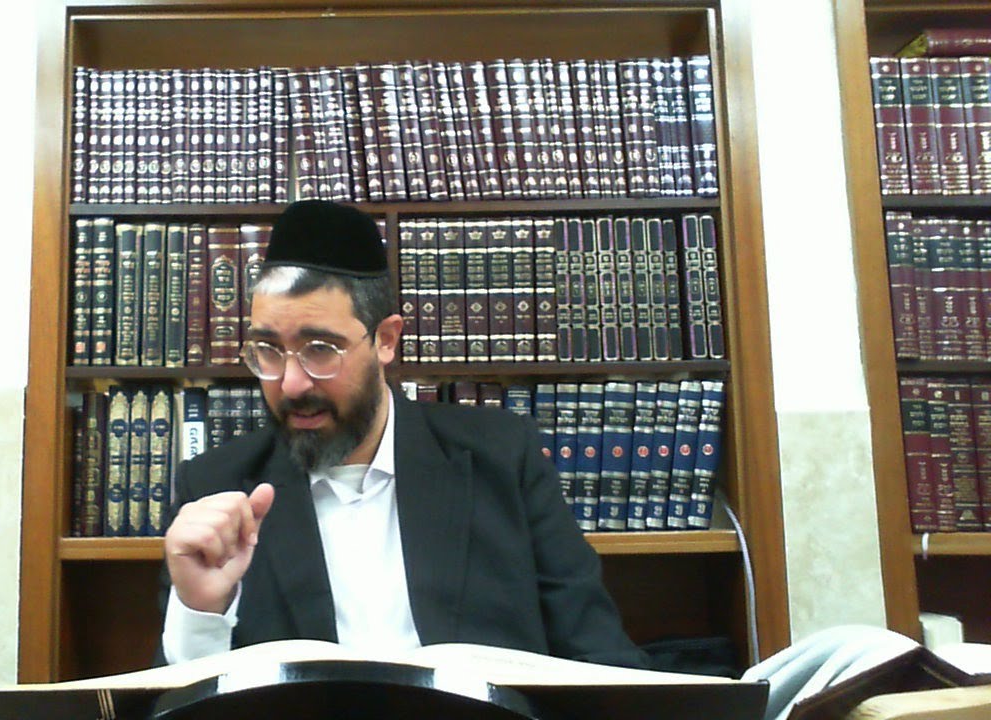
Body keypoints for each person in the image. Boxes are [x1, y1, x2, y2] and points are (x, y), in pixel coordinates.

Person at [157, 199, 646, 669]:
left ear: (386, 340)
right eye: (268, 350)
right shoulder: (216, 486)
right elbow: (179, 703)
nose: (291, 384)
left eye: (320, 349)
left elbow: (601, 659)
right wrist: (200, 612)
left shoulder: (501, 458)